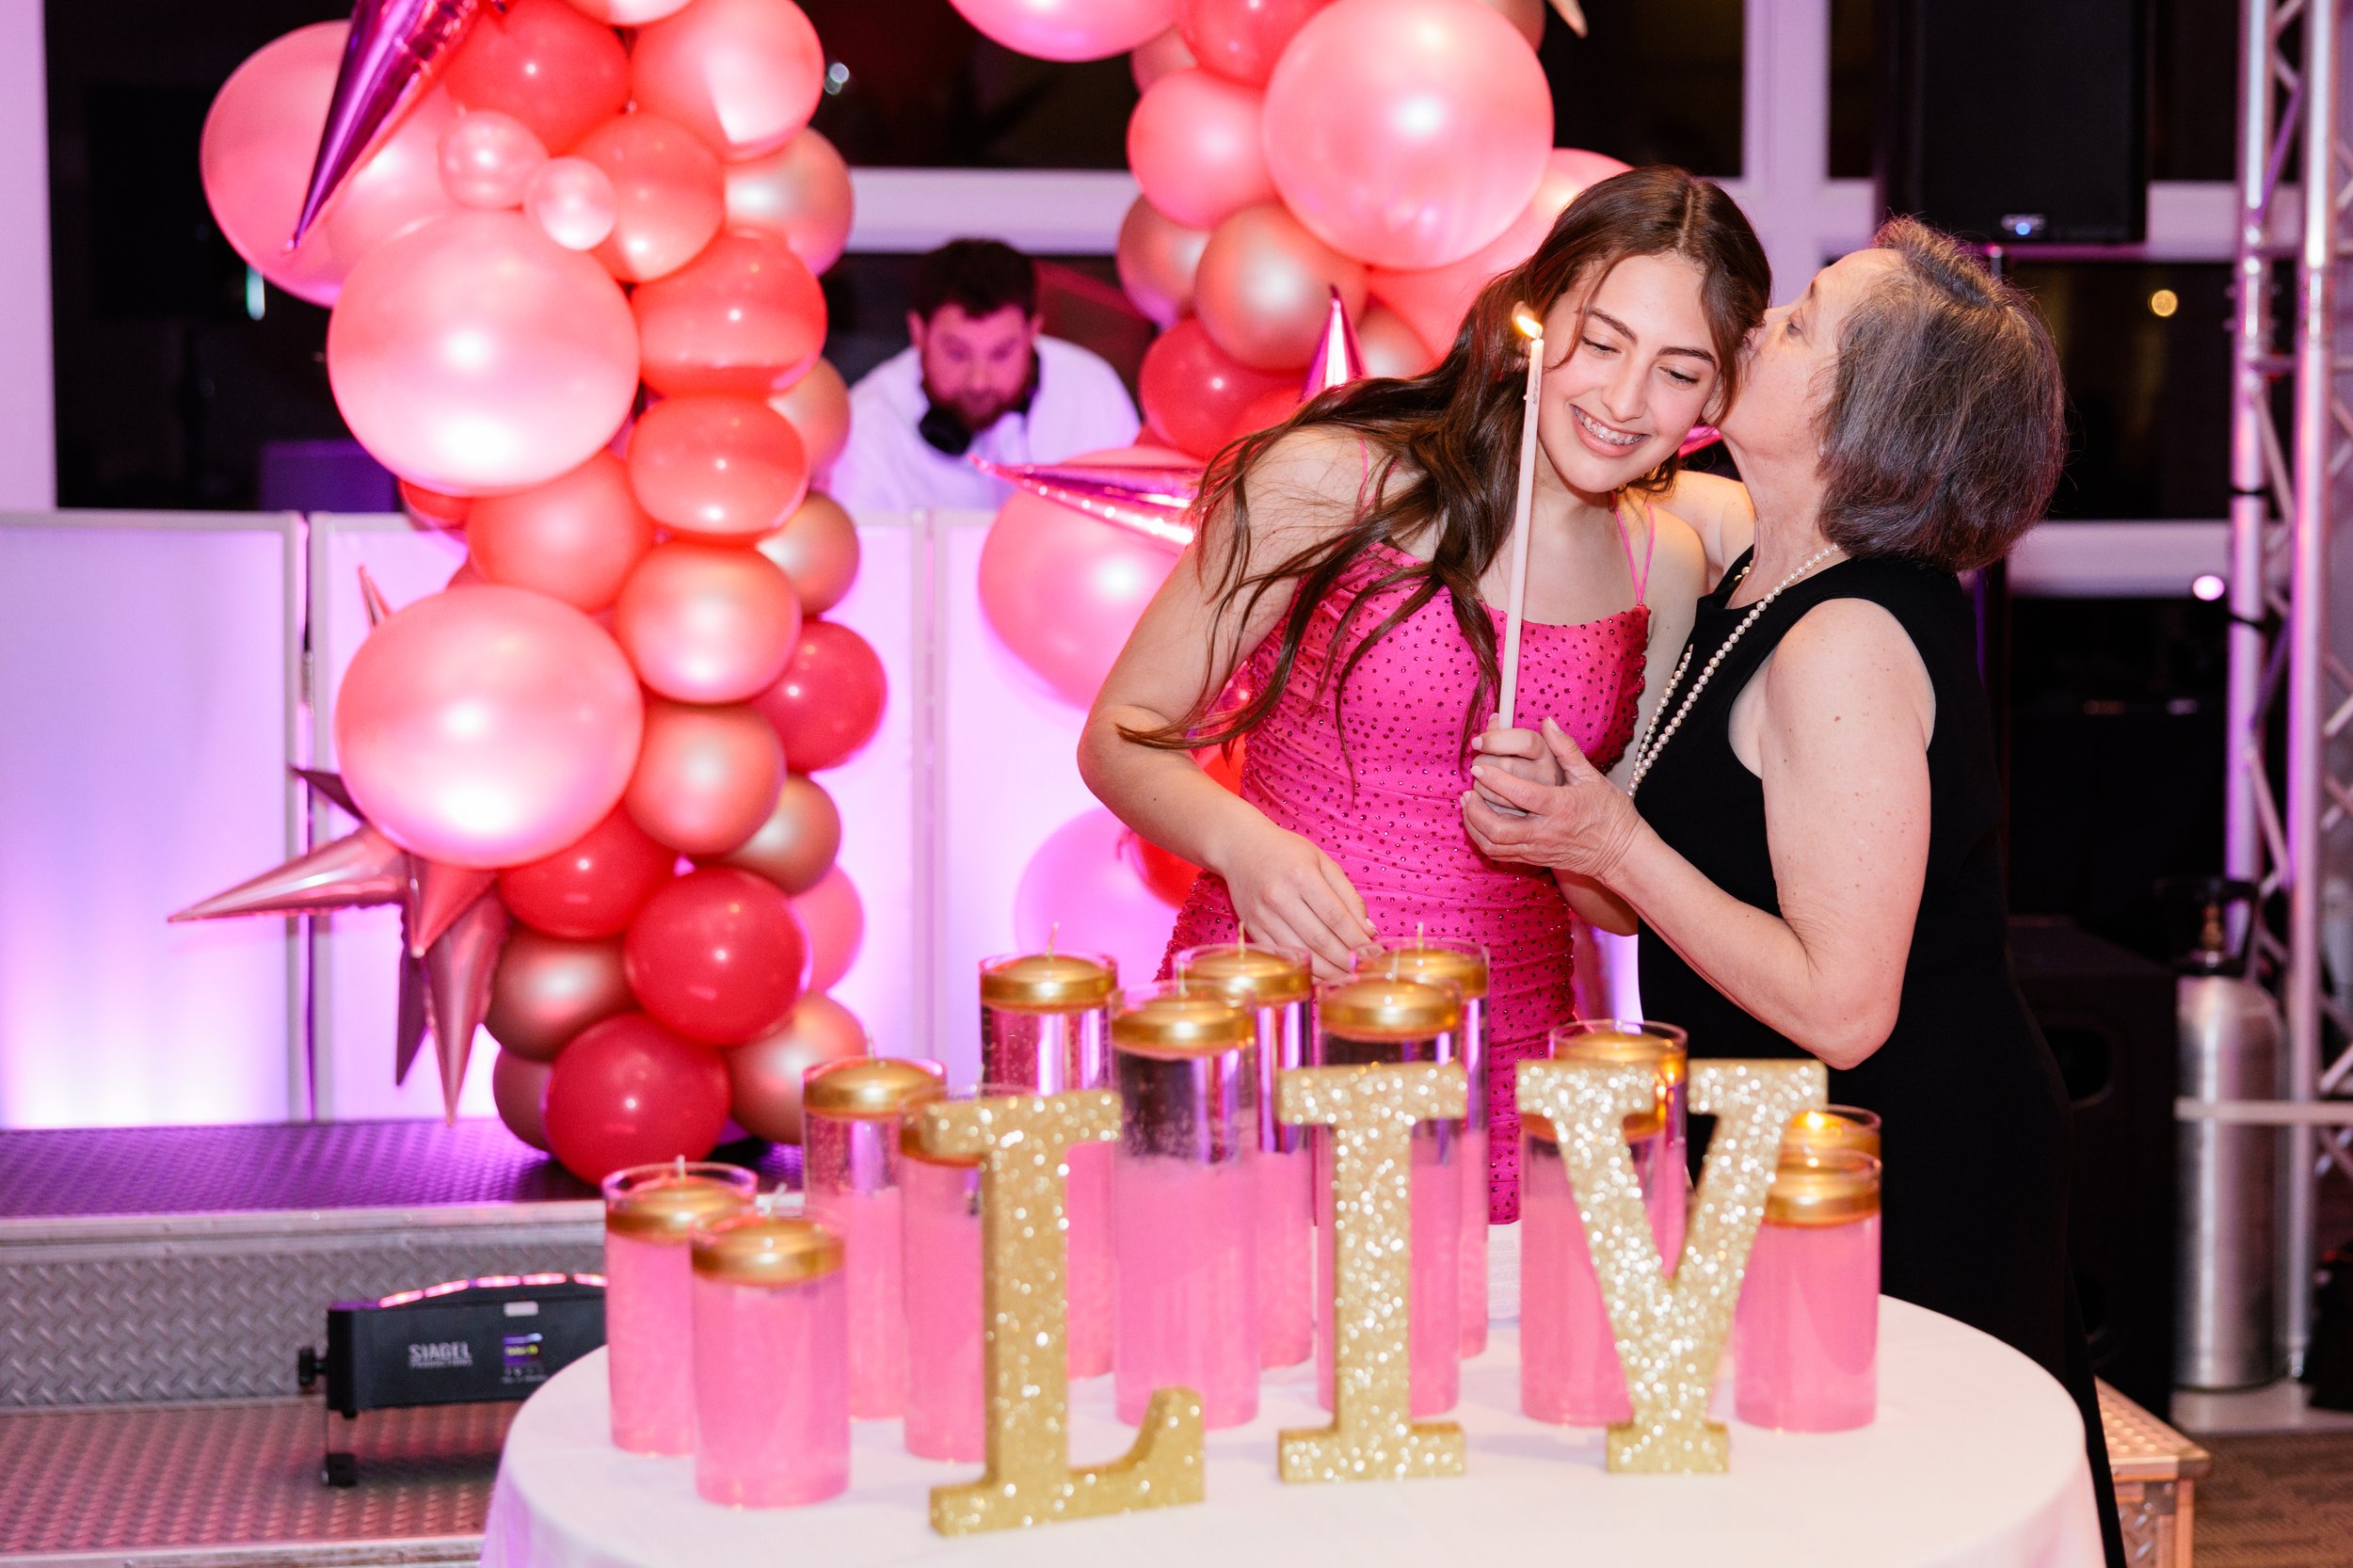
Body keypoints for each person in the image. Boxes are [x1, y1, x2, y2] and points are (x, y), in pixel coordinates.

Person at [1461, 218, 2126, 1568]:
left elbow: (1843, 1001)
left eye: (1808, 322)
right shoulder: (1762, 581)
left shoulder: (1851, 636)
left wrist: (1615, 839)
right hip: (1776, 1148)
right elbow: (1676, 897)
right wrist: (1571, 835)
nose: (1759, 331)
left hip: (1900, 1172)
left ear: (1870, 414)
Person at [1080, 168, 1769, 1221]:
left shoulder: (1661, 565)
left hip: (1513, 1049)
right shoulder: (1333, 481)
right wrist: (1244, 848)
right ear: (1538, 319)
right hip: (1274, 1009)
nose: (1626, 402)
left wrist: (1573, 828)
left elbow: (1614, 905)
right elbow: (1118, 737)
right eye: (1602, 341)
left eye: (1677, 371)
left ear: (1714, 397)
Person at [828, 238, 1140, 512]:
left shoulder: (1093, 391)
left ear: (1033, 332)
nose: (979, 381)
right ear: (918, 333)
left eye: (1002, 353)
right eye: (957, 353)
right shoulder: (866, 422)